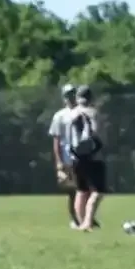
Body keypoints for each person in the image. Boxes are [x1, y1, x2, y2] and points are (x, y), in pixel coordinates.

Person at [69, 85, 106, 231]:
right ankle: (88, 221)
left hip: (76, 157)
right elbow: (97, 133)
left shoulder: (71, 114)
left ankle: (80, 222)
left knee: (81, 190)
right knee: (98, 191)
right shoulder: (93, 113)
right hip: (93, 157)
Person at [49, 84, 82, 229]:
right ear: (64, 97)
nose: (71, 97)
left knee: (86, 189)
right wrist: (59, 161)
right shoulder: (59, 115)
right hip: (68, 158)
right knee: (73, 191)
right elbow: (56, 140)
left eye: (73, 94)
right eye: (68, 94)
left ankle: (86, 218)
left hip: (83, 156)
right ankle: (75, 219)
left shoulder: (82, 112)